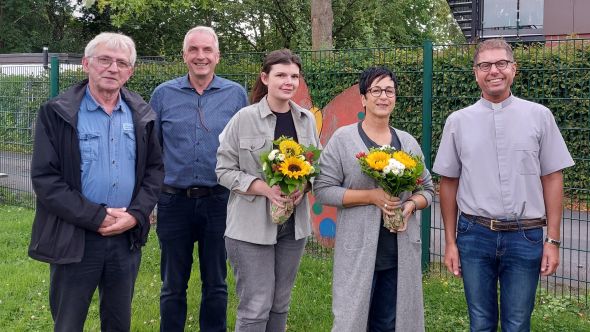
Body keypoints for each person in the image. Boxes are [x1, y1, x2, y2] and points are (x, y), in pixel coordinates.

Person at [433, 39, 574, 331]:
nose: (493, 71)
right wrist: (450, 242)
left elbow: (552, 177)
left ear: (514, 69)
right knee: (480, 323)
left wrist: (553, 240)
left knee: (517, 323)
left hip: (526, 236)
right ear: (475, 73)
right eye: (485, 65)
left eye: (501, 64)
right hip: (473, 236)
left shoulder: (539, 117)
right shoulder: (458, 122)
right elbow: (448, 183)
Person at [28, 32, 164, 331]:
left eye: (121, 63)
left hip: (125, 238)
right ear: (86, 64)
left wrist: (135, 215)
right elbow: (45, 179)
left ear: (130, 71)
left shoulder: (142, 114)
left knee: (118, 322)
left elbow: (155, 171)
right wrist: (97, 215)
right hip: (75, 237)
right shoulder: (58, 113)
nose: (112, 68)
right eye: (104, 60)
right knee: (68, 322)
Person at [313, 66, 434, 331]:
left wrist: (411, 205)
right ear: (363, 98)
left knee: (389, 323)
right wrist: (371, 196)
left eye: (389, 90)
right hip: (357, 250)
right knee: (352, 321)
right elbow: (322, 189)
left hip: (398, 254)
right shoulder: (343, 140)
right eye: (375, 90)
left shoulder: (408, 143)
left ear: (395, 97)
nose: (383, 97)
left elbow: (427, 189)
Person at [149, 26, 248, 332]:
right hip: (172, 201)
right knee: (172, 284)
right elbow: (152, 151)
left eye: (207, 50)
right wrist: (150, 201)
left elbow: (244, 149)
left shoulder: (235, 94)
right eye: (193, 50)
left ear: (217, 56)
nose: (200, 56)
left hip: (220, 201)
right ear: (184, 56)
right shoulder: (163, 94)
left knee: (216, 283)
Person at [216, 49, 320, 331]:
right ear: (265, 77)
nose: (289, 81)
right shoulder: (243, 118)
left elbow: (315, 166)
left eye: (294, 76)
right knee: (255, 306)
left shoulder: (306, 120)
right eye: (281, 75)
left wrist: (304, 185)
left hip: (293, 228)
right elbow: (223, 170)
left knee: (280, 303)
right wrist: (262, 188)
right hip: (250, 228)